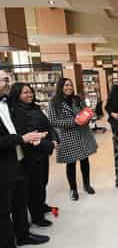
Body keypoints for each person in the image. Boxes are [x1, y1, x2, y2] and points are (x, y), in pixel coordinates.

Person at [0, 70, 49, 247]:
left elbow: (18, 129)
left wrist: (33, 137)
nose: (8, 83)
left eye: (9, 80)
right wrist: (22, 139)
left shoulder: (10, 105)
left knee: (21, 201)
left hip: (21, 159)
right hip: (4, 166)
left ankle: (23, 236)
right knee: (4, 210)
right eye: (5, 80)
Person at [8, 83, 59, 227]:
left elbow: (48, 125)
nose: (29, 95)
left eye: (30, 92)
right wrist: (50, 145)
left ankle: (41, 205)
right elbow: (28, 137)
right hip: (32, 156)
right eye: (25, 93)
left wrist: (55, 139)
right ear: (17, 94)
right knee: (34, 187)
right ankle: (37, 216)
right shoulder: (16, 112)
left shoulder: (35, 107)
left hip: (43, 153)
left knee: (43, 182)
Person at [48, 78, 97, 200]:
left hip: (83, 134)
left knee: (85, 160)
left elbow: (85, 111)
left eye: (70, 85)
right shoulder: (54, 102)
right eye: (66, 85)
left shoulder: (77, 99)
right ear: (60, 87)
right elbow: (53, 121)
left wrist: (89, 114)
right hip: (68, 136)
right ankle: (73, 189)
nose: (69, 87)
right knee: (71, 163)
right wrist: (73, 121)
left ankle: (87, 185)